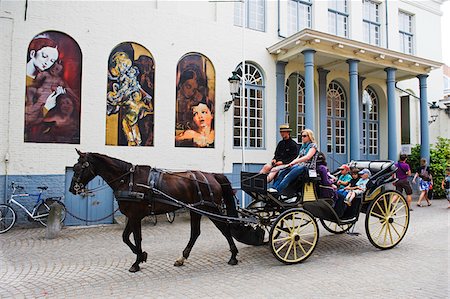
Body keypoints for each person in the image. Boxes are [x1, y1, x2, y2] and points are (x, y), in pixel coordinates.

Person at [269, 129, 318, 195]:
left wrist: (295, 162)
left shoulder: (313, 146)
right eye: (302, 136)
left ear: (309, 136)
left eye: (304, 136)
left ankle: (278, 191)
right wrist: (290, 164)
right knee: (283, 172)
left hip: (308, 168)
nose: (302, 138)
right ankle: (273, 188)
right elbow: (299, 157)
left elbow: (307, 157)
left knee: (290, 175)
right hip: (299, 165)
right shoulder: (303, 146)